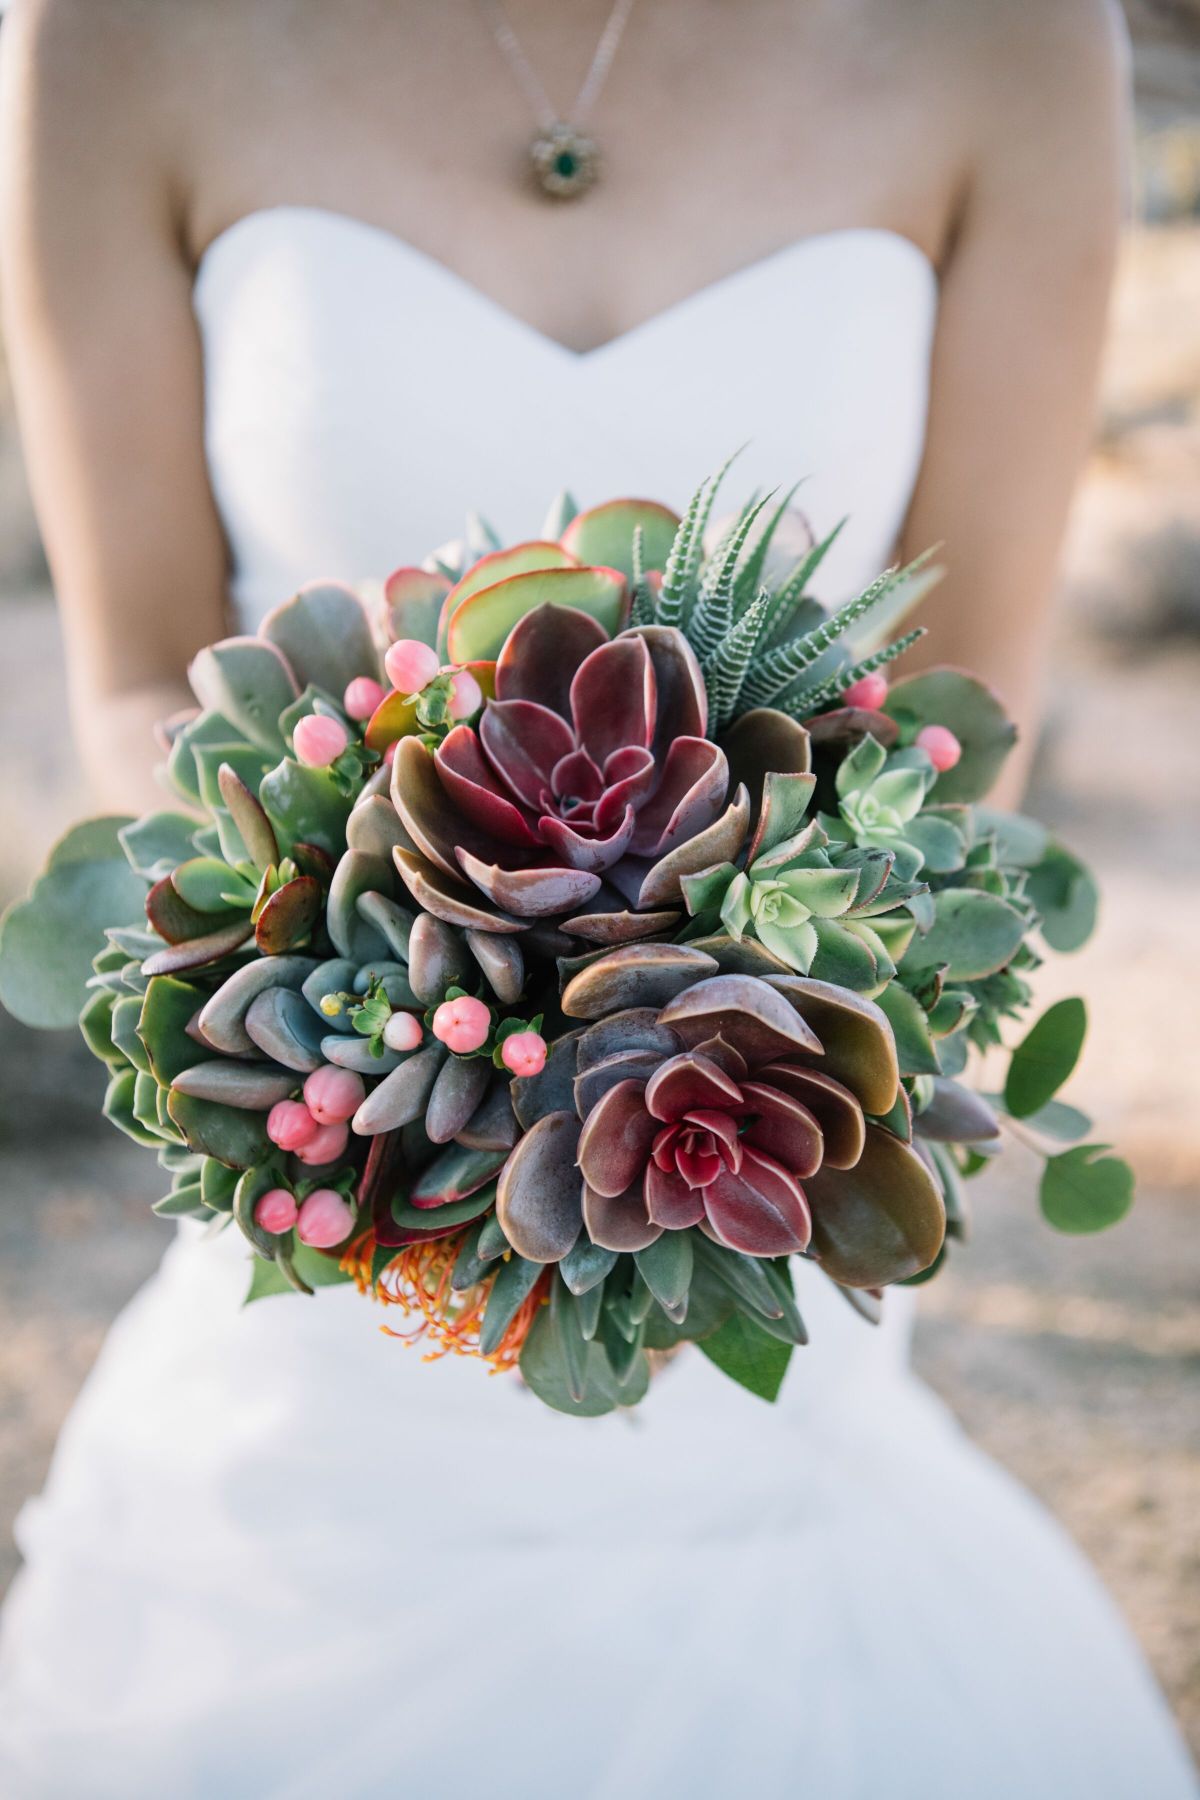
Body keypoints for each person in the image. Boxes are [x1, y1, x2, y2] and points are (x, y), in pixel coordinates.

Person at [0, 1, 1194, 1794]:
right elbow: (132, 689)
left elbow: (964, 720)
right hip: (342, 1158)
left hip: (742, 1117)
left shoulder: (1012, 43)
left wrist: (676, 1002)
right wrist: (406, 975)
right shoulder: (108, 35)